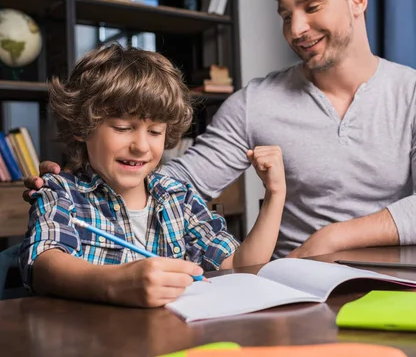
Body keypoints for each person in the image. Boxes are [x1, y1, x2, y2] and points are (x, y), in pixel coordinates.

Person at [26, 0, 416, 260]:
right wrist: (76, 180)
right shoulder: (256, 103)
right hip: (293, 289)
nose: (297, 29)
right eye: (286, 14)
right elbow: (171, 180)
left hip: (397, 282)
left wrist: (332, 237)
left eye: (311, 7)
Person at [19, 44, 286, 308]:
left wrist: (275, 195)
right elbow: (43, 264)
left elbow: (240, 267)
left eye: (155, 132)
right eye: (123, 128)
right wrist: (117, 283)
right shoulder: (60, 192)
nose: (141, 146)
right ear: (82, 127)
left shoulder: (178, 197)